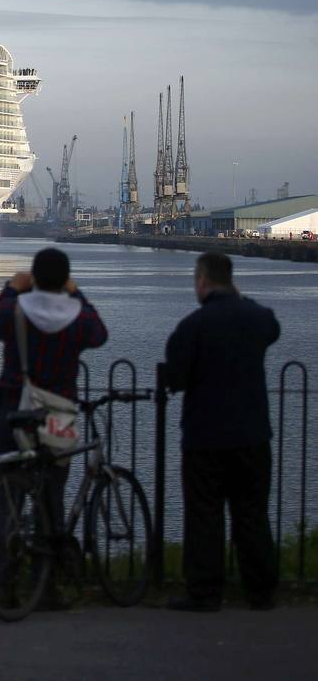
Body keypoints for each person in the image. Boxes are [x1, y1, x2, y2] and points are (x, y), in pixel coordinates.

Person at [0, 247, 109, 606]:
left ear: (33, 276)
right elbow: (100, 334)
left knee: (7, 499)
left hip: (12, 410)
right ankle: (44, 584)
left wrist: (10, 288)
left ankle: (2, 581)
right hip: (58, 413)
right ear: (64, 279)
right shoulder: (79, 316)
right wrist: (76, 291)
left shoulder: (15, 309)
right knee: (51, 496)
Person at [164, 251, 281, 612]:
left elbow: (176, 377)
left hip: (205, 436)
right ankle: (261, 591)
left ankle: (204, 592)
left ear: (202, 280)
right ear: (232, 281)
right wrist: (242, 299)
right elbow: (272, 328)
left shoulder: (192, 326)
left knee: (205, 517)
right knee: (252, 515)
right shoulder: (256, 318)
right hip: (252, 434)